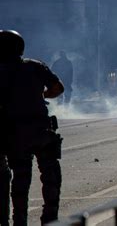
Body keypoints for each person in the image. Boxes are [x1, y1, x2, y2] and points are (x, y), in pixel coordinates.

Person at [0, 30, 64, 225]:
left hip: (14, 134)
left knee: (20, 179)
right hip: (41, 131)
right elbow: (57, 89)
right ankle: (50, 217)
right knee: (51, 176)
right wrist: (39, 96)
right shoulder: (35, 66)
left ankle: (20, 219)